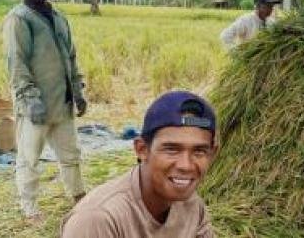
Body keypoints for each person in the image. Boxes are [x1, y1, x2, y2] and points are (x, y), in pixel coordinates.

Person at [61, 91, 218, 237]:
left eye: (199, 151)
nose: (186, 165)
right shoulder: (98, 219)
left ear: (213, 154)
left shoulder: (191, 205)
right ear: (142, 149)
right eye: (172, 149)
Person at [1, 0, 87, 220]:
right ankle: (29, 207)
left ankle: (79, 197)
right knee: (29, 159)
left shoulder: (59, 17)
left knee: (71, 155)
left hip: (62, 103)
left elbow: (71, 57)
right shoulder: (18, 19)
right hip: (35, 107)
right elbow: (17, 63)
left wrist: (78, 91)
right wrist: (29, 100)